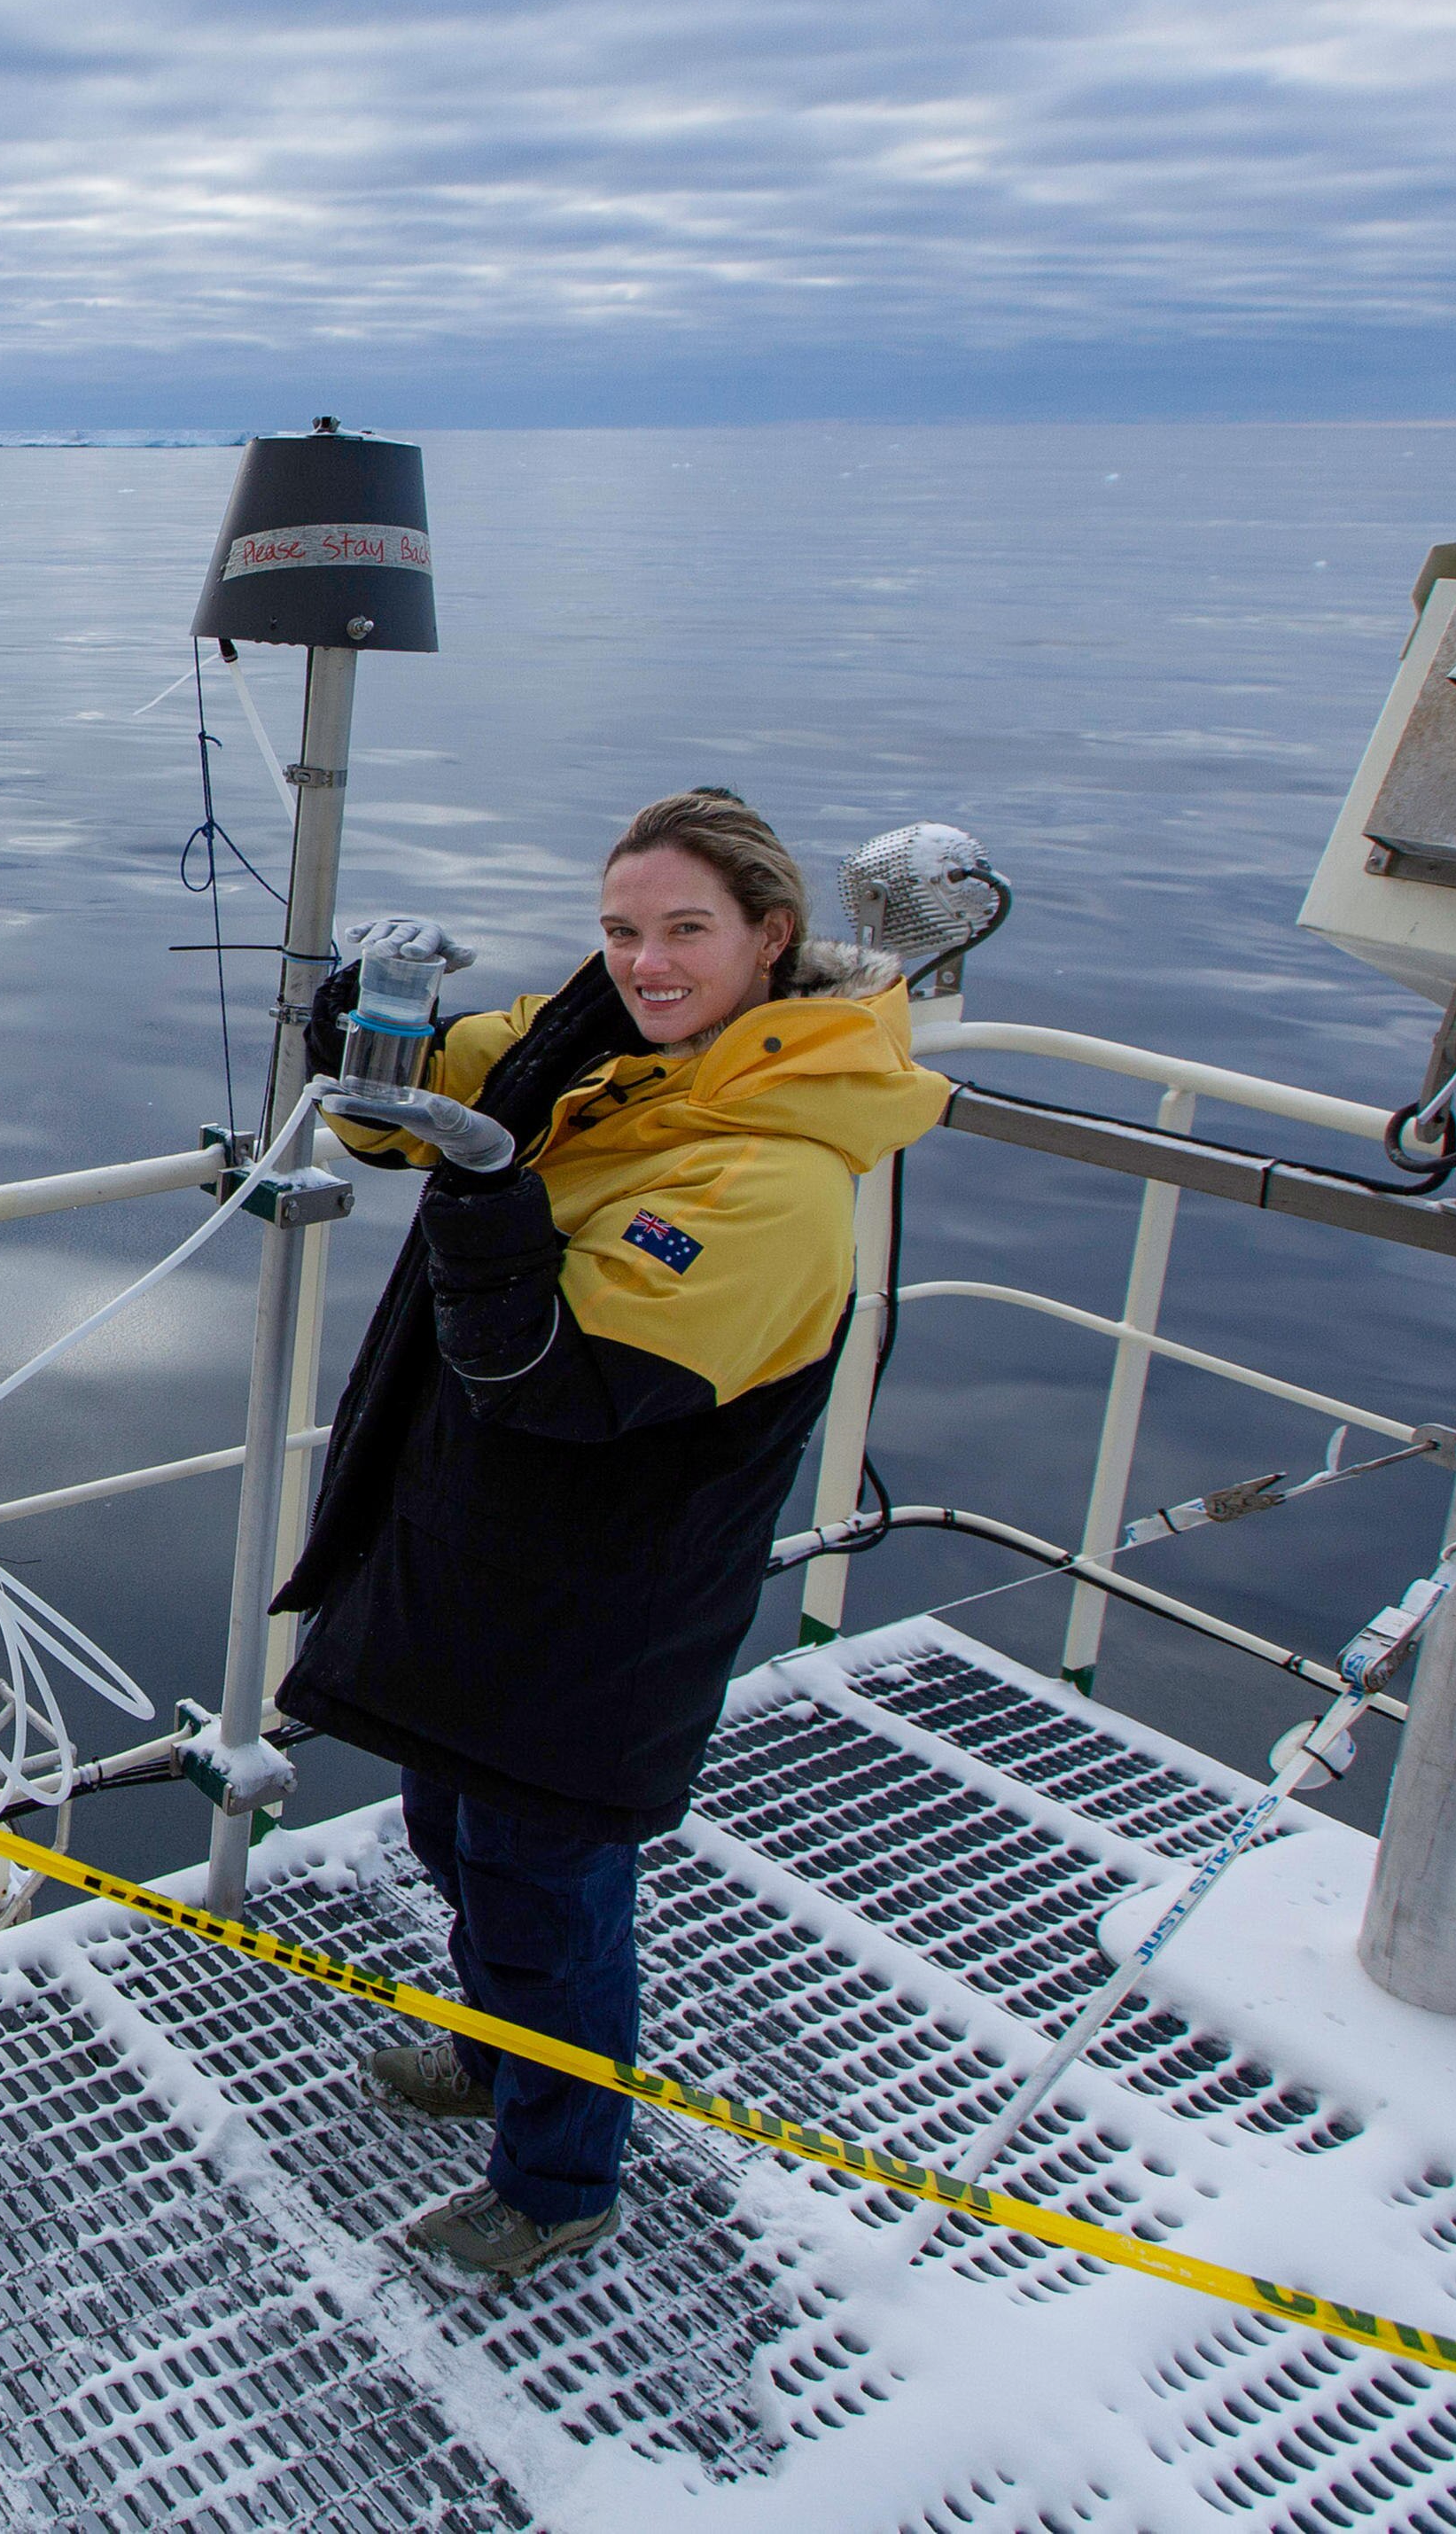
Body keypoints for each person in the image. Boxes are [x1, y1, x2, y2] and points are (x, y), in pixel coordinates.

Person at [275, 788, 946, 2288]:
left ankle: (560, 2174)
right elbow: (421, 1094)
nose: (645, 961)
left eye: (684, 930)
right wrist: (372, 1016)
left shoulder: (776, 1175)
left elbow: (560, 1387)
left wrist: (489, 1192)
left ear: (772, 939)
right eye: (623, 927)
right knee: (457, 1828)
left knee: (546, 1877)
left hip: (601, 1596)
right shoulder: (615, 1050)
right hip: (492, 1556)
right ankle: (503, 2046)